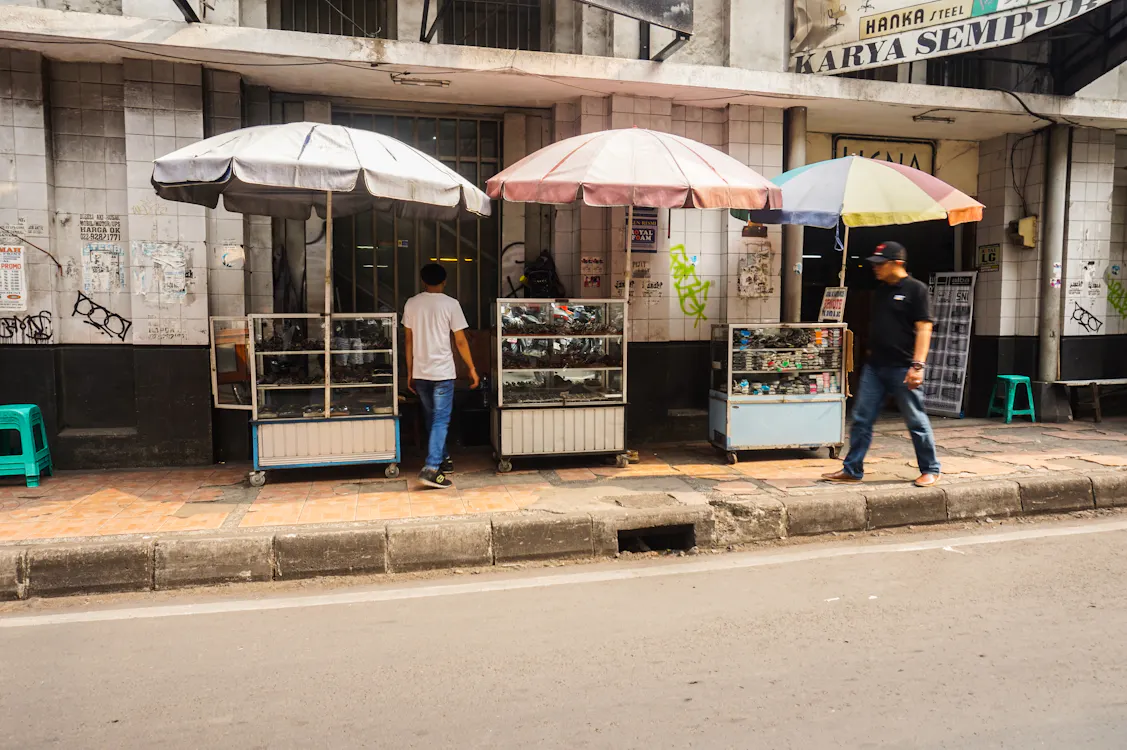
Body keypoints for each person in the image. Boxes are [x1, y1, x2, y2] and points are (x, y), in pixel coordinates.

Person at [822, 241, 941, 488]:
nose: (875, 268)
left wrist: (918, 365)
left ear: (897, 263)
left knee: (916, 420)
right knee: (862, 418)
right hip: (875, 367)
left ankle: (930, 469)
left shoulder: (916, 290)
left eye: (880, 264)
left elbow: (924, 328)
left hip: (903, 366)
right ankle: (852, 469)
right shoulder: (881, 292)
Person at [403, 263, 480, 489]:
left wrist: (410, 371)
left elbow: (408, 340)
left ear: (423, 281)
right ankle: (431, 467)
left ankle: (444, 458)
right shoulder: (451, 304)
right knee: (440, 419)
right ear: (444, 281)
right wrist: (472, 368)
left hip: (421, 373)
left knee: (432, 418)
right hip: (443, 372)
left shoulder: (412, 304)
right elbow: (460, 340)